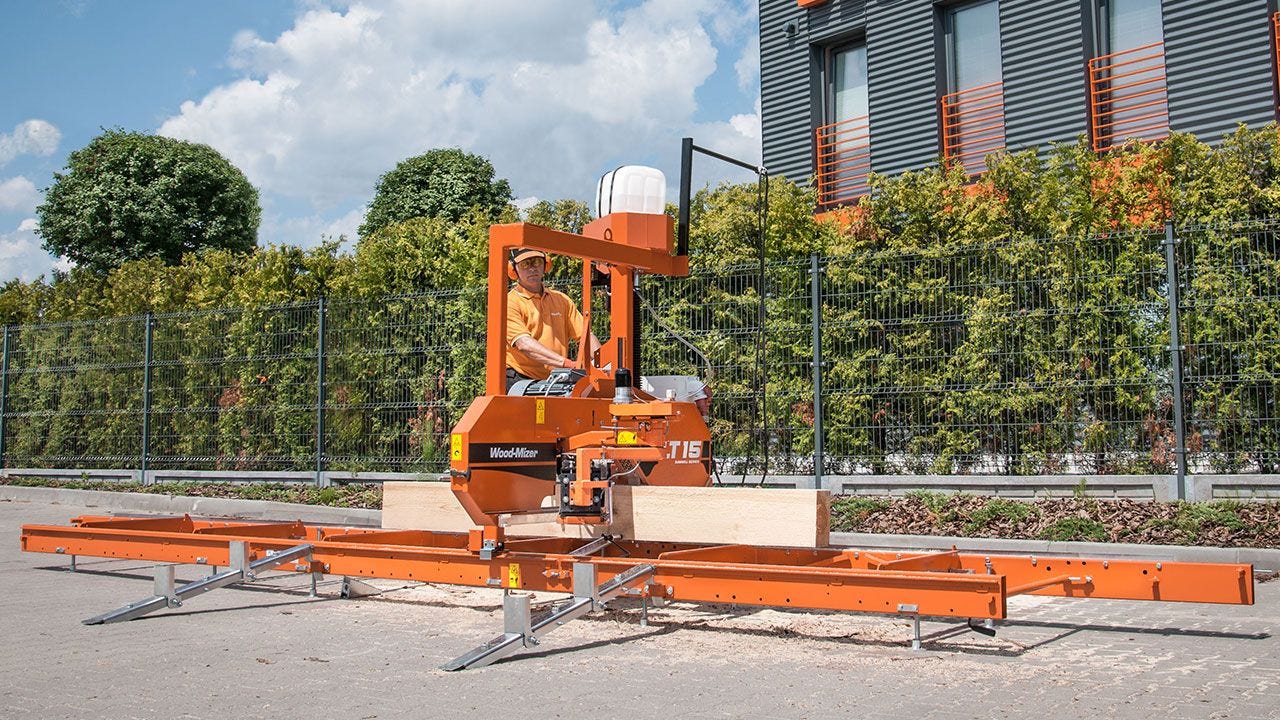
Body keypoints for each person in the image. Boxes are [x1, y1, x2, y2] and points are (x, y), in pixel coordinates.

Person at [505, 248, 601, 391]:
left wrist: (602, 365)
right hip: (521, 380)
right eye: (525, 264)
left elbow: (586, 336)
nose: (532, 268)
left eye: (537, 262)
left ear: (546, 265)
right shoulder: (510, 302)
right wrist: (567, 364)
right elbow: (524, 344)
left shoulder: (561, 300)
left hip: (554, 379)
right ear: (513, 270)